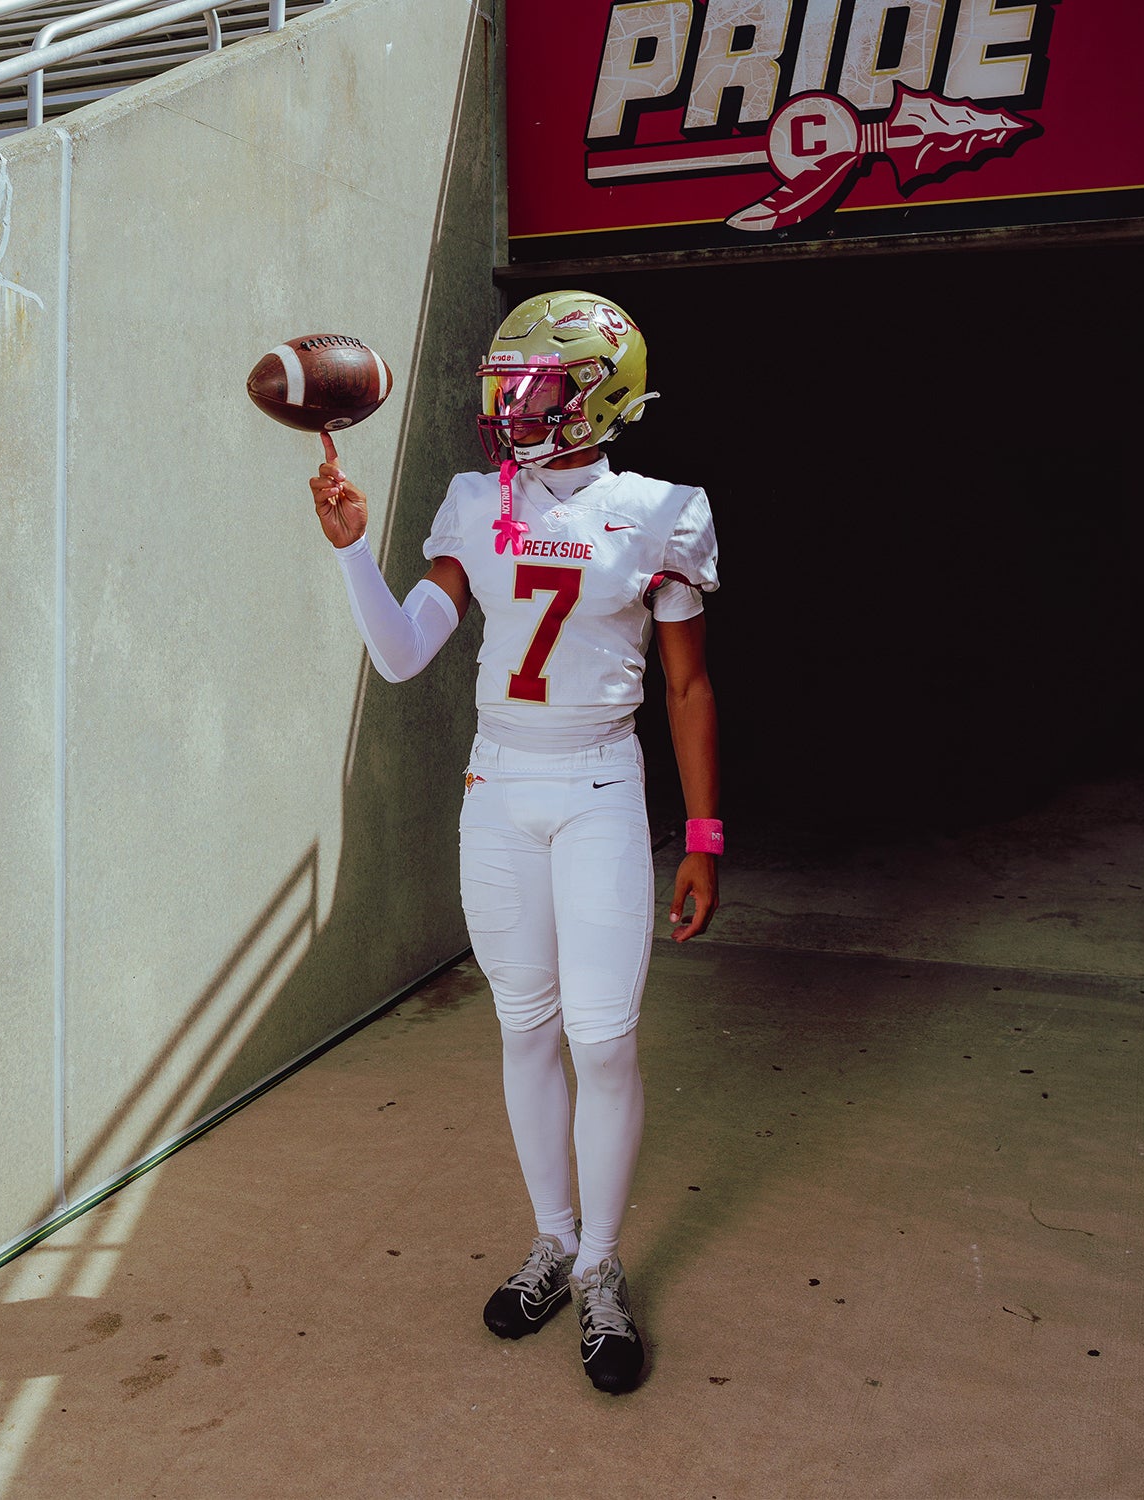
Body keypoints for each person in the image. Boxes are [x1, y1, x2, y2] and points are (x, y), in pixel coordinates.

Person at [310, 290, 721, 1395]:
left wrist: (703, 832)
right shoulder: (472, 498)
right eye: (508, 386)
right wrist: (354, 553)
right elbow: (403, 656)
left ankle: (599, 1269)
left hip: (597, 783)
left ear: (603, 396)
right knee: (527, 1027)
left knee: (602, 1039)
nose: (512, 407)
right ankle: (551, 1239)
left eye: (538, 387)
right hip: (498, 786)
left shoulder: (663, 510)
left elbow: (685, 683)